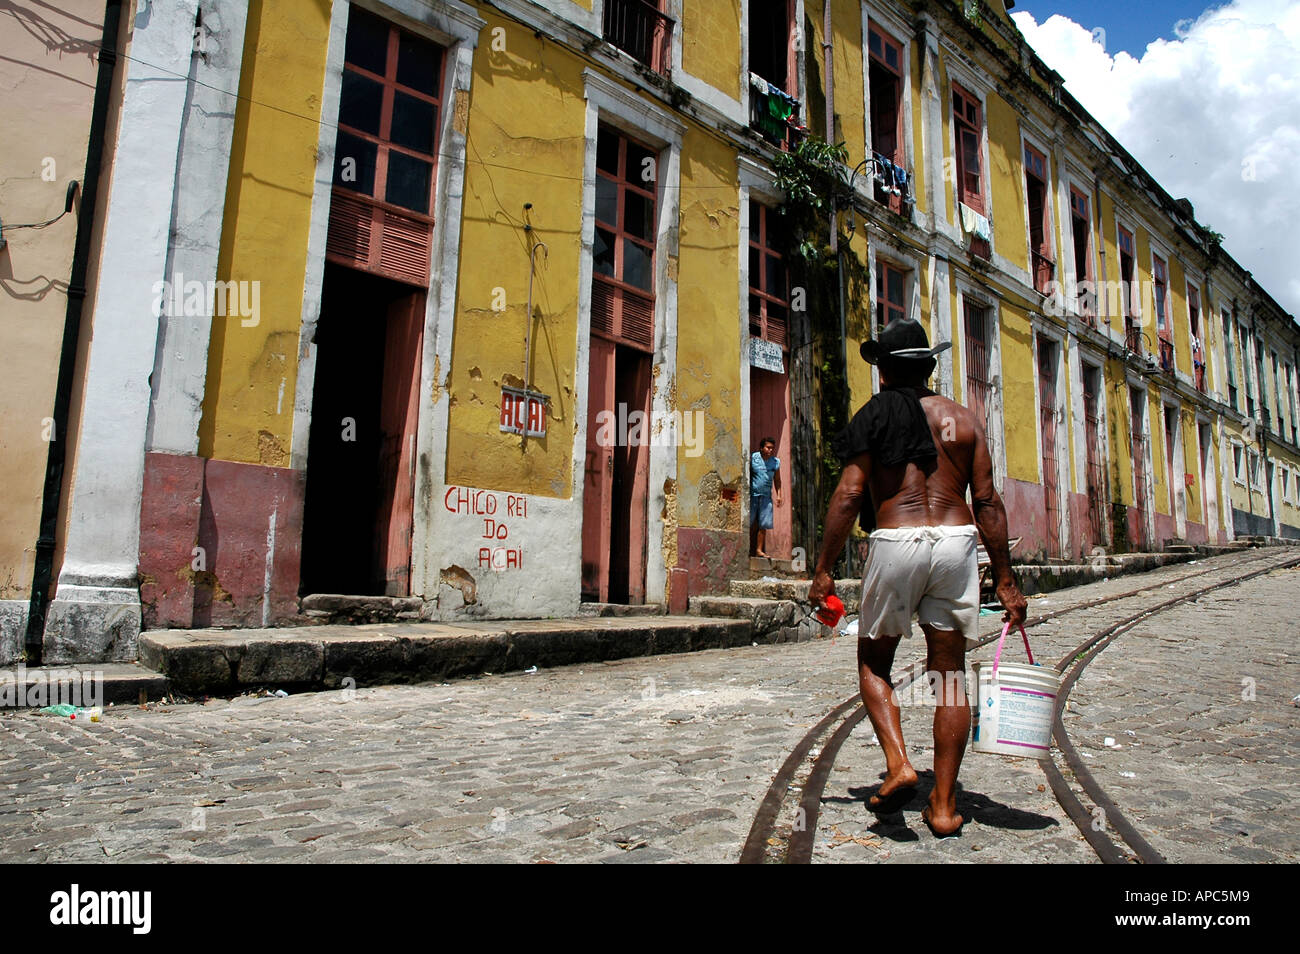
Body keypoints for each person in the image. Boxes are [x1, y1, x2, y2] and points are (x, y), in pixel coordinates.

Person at [808, 318, 1027, 837]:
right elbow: (988, 501)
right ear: (929, 368)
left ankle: (900, 762)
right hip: (957, 542)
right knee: (949, 673)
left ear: (883, 371)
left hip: (897, 540)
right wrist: (1006, 578)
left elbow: (849, 495)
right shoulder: (962, 420)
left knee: (874, 661)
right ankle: (946, 807)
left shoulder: (877, 414)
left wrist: (822, 570)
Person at [750, 438, 782, 558]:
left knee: (764, 524)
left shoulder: (775, 462)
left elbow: (777, 480)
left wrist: (779, 495)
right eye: (768, 447)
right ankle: (747, 548)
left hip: (766, 497)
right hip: (753, 495)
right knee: (750, 522)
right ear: (761, 448)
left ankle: (759, 550)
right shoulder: (753, 458)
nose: (770, 450)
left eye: (772, 448)